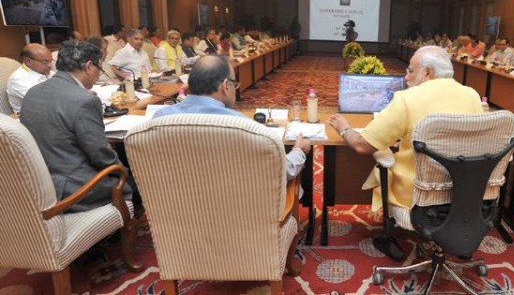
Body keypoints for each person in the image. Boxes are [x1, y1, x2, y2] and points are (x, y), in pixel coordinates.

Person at [327, 45, 483, 258]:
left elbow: (363, 145)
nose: (406, 77)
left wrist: (344, 128)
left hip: (417, 196)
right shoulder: (472, 95)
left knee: (384, 158)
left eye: (410, 71)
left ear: (428, 72)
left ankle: (392, 233)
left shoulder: (407, 99)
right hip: (464, 194)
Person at [154, 55, 311, 181]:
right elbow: (282, 172)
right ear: (225, 86)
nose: (235, 89)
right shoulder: (243, 127)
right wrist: (298, 150)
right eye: (235, 84)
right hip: (236, 215)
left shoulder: (159, 120)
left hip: (174, 214)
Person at [20, 40, 135, 212]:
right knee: (138, 181)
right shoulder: (84, 100)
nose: (99, 74)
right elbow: (100, 155)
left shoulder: (33, 92)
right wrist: (124, 171)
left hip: (37, 183)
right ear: (89, 66)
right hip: (74, 187)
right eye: (100, 68)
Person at [6, 44, 54, 114]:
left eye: (51, 61)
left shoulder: (45, 71)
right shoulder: (17, 79)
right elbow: (47, 101)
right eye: (45, 62)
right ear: (28, 61)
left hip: (50, 112)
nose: (50, 65)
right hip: (32, 117)